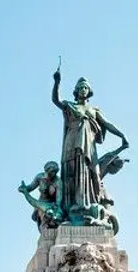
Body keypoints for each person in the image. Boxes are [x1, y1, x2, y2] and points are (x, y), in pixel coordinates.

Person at [51, 70, 127, 217]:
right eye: (80, 88)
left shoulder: (93, 110)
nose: (82, 90)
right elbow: (56, 100)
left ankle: (87, 204)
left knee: (91, 172)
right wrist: (57, 82)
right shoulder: (70, 106)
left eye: (85, 87)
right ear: (76, 91)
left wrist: (121, 135)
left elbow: (107, 123)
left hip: (89, 145)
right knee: (72, 172)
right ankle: (73, 207)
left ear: (89, 91)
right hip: (72, 142)